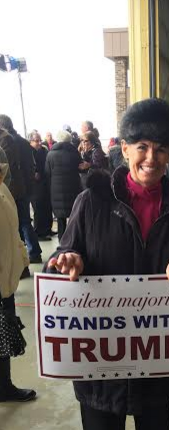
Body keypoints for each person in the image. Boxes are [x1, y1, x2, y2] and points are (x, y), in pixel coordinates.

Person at [46, 98, 169, 430]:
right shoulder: (91, 200)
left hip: (157, 367)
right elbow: (60, 258)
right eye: (142, 147)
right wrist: (67, 261)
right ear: (125, 149)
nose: (151, 158)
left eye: (160, 149)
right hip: (100, 368)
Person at [0, 161, 36, 402]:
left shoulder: (3, 187)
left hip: (6, 277)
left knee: (3, 335)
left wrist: (22, 256)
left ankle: (4, 386)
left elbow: (12, 231)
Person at [0, 114, 42, 264]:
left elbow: (7, 168)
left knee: (17, 225)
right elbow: (31, 165)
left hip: (12, 189)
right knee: (24, 222)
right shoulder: (23, 142)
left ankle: (26, 258)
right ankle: (34, 253)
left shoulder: (6, 140)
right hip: (23, 187)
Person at [45, 130, 82, 240]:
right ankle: (74, 239)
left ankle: (62, 242)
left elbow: (47, 173)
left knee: (60, 219)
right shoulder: (74, 152)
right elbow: (79, 167)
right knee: (73, 215)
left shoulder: (50, 154)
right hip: (73, 188)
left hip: (56, 190)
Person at [29, 130, 54, 240]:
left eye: (40, 140)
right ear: (30, 141)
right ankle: (39, 233)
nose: (39, 143)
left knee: (48, 207)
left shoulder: (44, 150)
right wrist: (33, 173)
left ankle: (48, 229)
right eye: (36, 141)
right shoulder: (28, 152)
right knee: (38, 209)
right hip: (35, 185)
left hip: (46, 182)